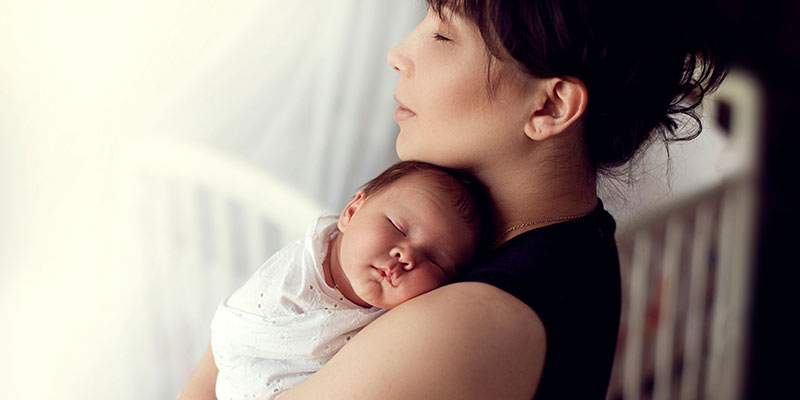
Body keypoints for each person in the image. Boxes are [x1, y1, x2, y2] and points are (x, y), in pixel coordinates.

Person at [181, 0, 727, 398]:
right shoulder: (573, 236)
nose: (398, 53)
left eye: (443, 36)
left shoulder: (467, 322)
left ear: (551, 107)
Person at [205, 161, 489, 399]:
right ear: (351, 212)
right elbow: (235, 337)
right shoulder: (291, 281)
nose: (406, 255)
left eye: (434, 260)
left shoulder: (409, 320)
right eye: (398, 228)